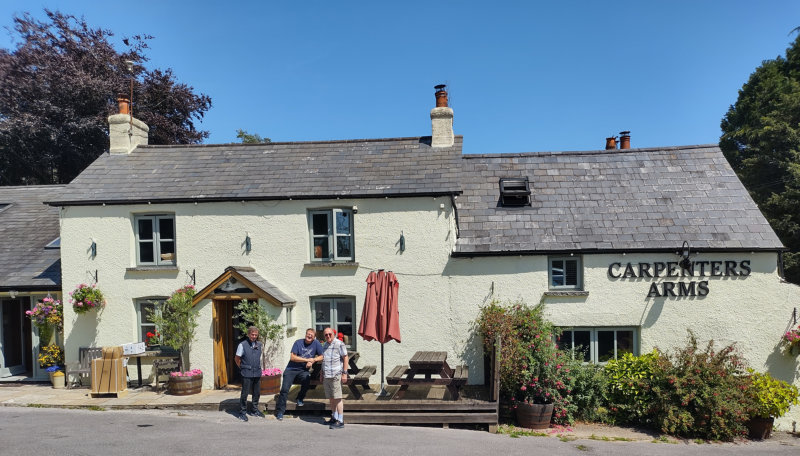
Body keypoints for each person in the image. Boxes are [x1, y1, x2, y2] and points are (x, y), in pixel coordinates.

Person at [274, 328, 324, 420]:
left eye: (311, 335)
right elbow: (293, 357)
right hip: (291, 369)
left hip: (303, 370)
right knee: (285, 389)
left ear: (314, 337)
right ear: (305, 334)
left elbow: (322, 356)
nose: (309, 336)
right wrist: (307, 360)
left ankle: (300, 398)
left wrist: (313, 360)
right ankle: (280, 411)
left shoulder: (316, 343)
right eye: (308, 334)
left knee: (307, 379)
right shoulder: (298, 342)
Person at [234, 326, 264, 421]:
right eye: (252, 334)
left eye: (256, 334)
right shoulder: (242, 345)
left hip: (257, 372)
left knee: (257, 392)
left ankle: (254, 410)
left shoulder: (259, 344)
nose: (254, 336)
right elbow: (237, 359)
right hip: (246, 372)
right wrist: (242, 367)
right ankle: (242, 412)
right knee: (245, 393)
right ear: (248, 334)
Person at [322, 327, 348, 429]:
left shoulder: (339, 344)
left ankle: (340, 420)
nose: (328, 336)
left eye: (330, 334)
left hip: (336, 374)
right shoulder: (324, 345)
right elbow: (324, 360)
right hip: (326, 375)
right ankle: (334, 416)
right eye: (326, 335)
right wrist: (321, 373)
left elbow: (346, 358)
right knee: (331, 398)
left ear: (334, 334)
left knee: (337, 398)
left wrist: (345, 373)